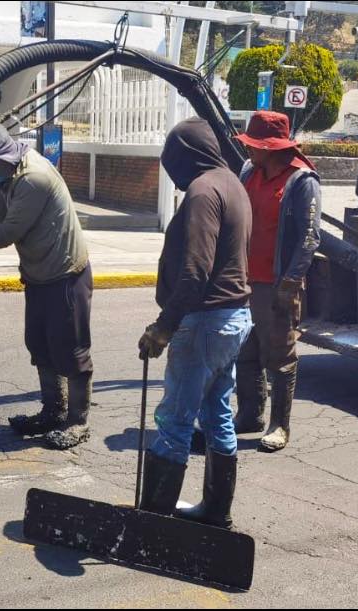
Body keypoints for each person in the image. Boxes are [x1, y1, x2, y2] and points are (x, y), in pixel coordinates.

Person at [0, 123, 94, 450]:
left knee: (71, 350)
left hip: (66, 276)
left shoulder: (33, 179)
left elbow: (8, 232)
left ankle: (78, 421)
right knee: (40, 344)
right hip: (39, 275)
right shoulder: (9, 179)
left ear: (2, 157)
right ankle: (53, 411)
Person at [136, 118, 253, 529]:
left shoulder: (204, 191)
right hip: (233, 317)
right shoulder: (232, 184)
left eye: (173, 164)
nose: (174, 176)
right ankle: (216, 512)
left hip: (205, 320)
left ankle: (153, 521)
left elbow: (196, 271)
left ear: (187, 157)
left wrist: (164, 326)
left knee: (174, 420)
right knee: (217, 412)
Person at [230, 110, 322, 452]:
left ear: (273, 148)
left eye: (255, 145)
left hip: (277, 283)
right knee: (245, 351)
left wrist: (291, 281)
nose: (249, 150)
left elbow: (309, 238)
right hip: (244, 281)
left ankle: (279, 426)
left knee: (279, 356)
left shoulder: (302, 180)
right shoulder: (248, 172)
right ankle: (250, 415)